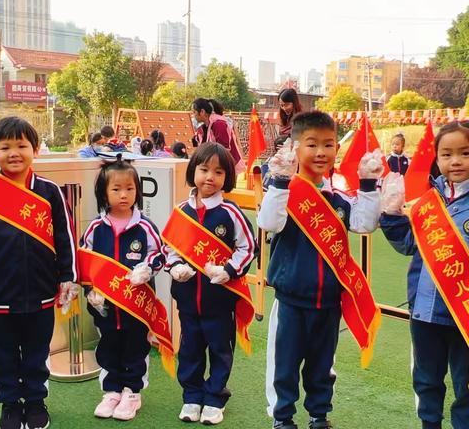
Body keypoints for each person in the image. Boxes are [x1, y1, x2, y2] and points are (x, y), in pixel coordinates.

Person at [258, 111, 383, 429]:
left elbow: (364, 223)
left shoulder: (339, 197)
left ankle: (319, 415)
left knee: (322, 364)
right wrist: (280, 182)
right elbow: (268, 223)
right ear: (294, 148)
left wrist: (368, 183)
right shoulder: (283, 191)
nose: (320, 152)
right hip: (290, 301)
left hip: (328, 302)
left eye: (328, 144)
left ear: (336, 151)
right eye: (311, 144)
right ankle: (282, 417)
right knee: (283, 364)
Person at [0, 116, 78, 429]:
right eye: (5, 146)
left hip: (41, 292)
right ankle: (10, 404)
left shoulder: (49, 191)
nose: (14, 152)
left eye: (22, 145)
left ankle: (36, 401)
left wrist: (68, 277)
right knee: (1, 355)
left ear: (36, 150)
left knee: (37, 352)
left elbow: (65, 237)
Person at [380, 121, 469, 429]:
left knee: (466, 389)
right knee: (427, 382)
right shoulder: (428, 203)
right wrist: (390, 215)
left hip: (464, 316)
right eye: (447, 154)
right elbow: (408, 244)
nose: (455, 161)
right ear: (437, 158)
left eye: (465, 153)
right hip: (424, 313)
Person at [161, 142, 257, 425]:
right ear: (193, 171)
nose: (210, 177)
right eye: (204, 169)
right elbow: (169, 247)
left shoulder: (231, 212)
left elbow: (247, 247)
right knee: (189, 349)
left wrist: (228, 270)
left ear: (227, 177)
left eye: (218, 171)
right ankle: (192, 395)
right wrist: (176, 265)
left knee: (220, 350)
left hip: (220, 300)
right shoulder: (181, 211)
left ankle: (215, 397)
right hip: (188, 300)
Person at [79, 155, 165, 421]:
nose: (124, 194)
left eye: (130, 188)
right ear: (104, 193)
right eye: (116, 189)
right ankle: (112, 391)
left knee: (135, 347)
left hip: (136, 306)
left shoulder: (144, 227)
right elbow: (84, 259)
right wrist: (90, 289)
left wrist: (147, 268)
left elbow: (160, 254)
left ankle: (132, 393)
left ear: (137, 190)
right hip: (104, 306)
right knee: (108, 346)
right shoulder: (95, 227)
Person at [191, 98, 245, 174]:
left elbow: (223, 149)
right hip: (214, 167)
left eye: (194, 112)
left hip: (225, 167)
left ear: (202, 112)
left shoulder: (219, 124)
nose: (193, 115)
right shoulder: (205, 127)